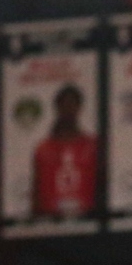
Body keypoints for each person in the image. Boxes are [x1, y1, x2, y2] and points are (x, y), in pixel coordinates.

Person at [33, 84, 99, 219]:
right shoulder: (43, 148)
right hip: (51, 223)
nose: (68, 109)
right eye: (64, 104)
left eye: (72, 104)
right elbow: (36, 190)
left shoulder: (93, 145)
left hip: (86, 221)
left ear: (79, 108)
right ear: (57, 108)